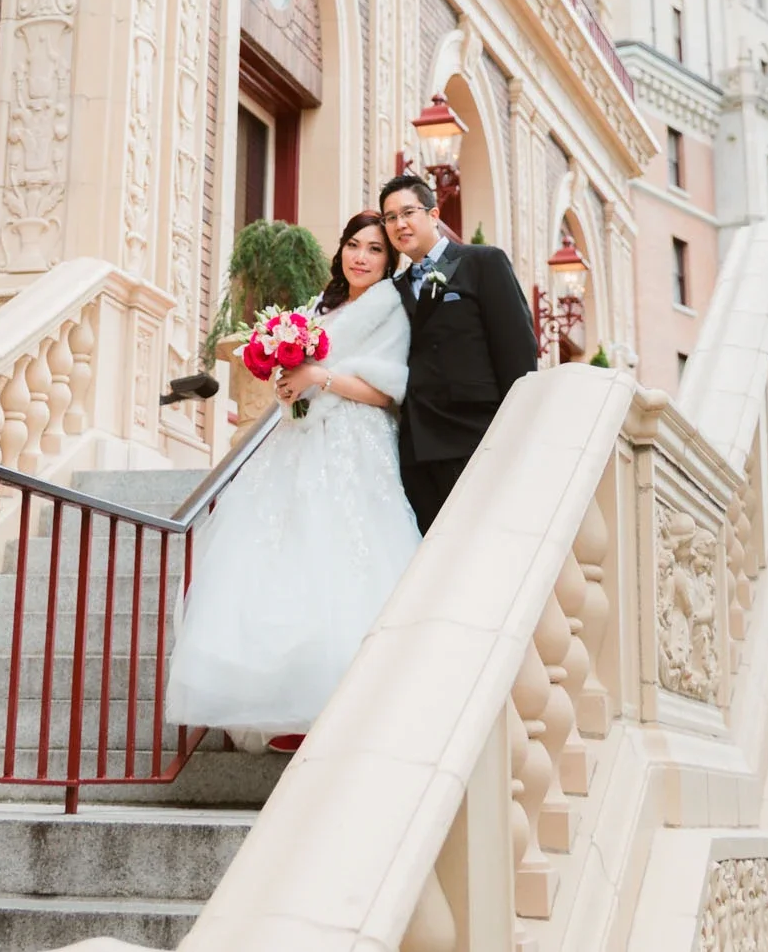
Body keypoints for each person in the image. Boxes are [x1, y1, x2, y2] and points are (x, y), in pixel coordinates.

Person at [164, 211, 423, 751]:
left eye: (375, 250)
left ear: (388, 260)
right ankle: (284, 705)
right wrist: (288, 383)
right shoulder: (319, 309)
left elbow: (389, 390)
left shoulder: (391, 309)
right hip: (298, 440)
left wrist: (319, 377)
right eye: (353, 245)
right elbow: (297, 376)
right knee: (278, 557)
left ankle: (349, 707)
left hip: (355, 442)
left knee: (342, 556)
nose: (361, 257)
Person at [379, 174, 539, 534]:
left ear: (433, 214)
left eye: (408, 212)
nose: (399, 224)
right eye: (390, 217)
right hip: (416, 450)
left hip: (475, 438)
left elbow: (518, 353)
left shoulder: (482, 263)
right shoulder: (392, 290)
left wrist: (517, 433)